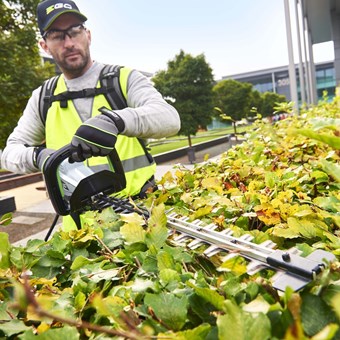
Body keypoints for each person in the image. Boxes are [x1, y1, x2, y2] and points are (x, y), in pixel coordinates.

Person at [1, 0, 180, 204]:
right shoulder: (43, 97)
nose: (69, 43)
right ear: (44, 46)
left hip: (141, 217)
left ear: (88, 35)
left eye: (75, 30)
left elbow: (170, 118)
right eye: (57, 36)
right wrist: (40, 157)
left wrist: (116, 121)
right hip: (79, 231)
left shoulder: (123, 79)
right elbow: (9, 153)